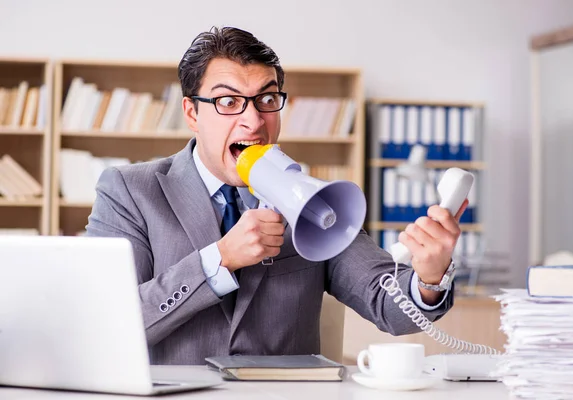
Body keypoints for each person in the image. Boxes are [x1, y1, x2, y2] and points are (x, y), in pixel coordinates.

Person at [85, 26, 468, 365]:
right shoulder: (129, 191)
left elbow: (388, 305)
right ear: (191, 113)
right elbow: (110, 324)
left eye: (267, 100)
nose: (253, 121)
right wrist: (219, 260)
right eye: (228, 101)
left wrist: (429, 278)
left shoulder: (314, 201)